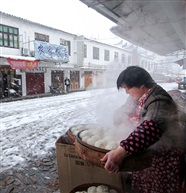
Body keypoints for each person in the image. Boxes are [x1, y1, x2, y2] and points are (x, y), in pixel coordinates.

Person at [100, 66, 185, 193]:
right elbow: (125, 110)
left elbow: (151, 127)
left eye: (128, 88)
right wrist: (117, 119)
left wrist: (121, 151)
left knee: (159, 188)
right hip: (146, 150)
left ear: (141, 85)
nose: (127, 92)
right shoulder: (139, 95)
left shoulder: (159, 98)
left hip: (165, 156)